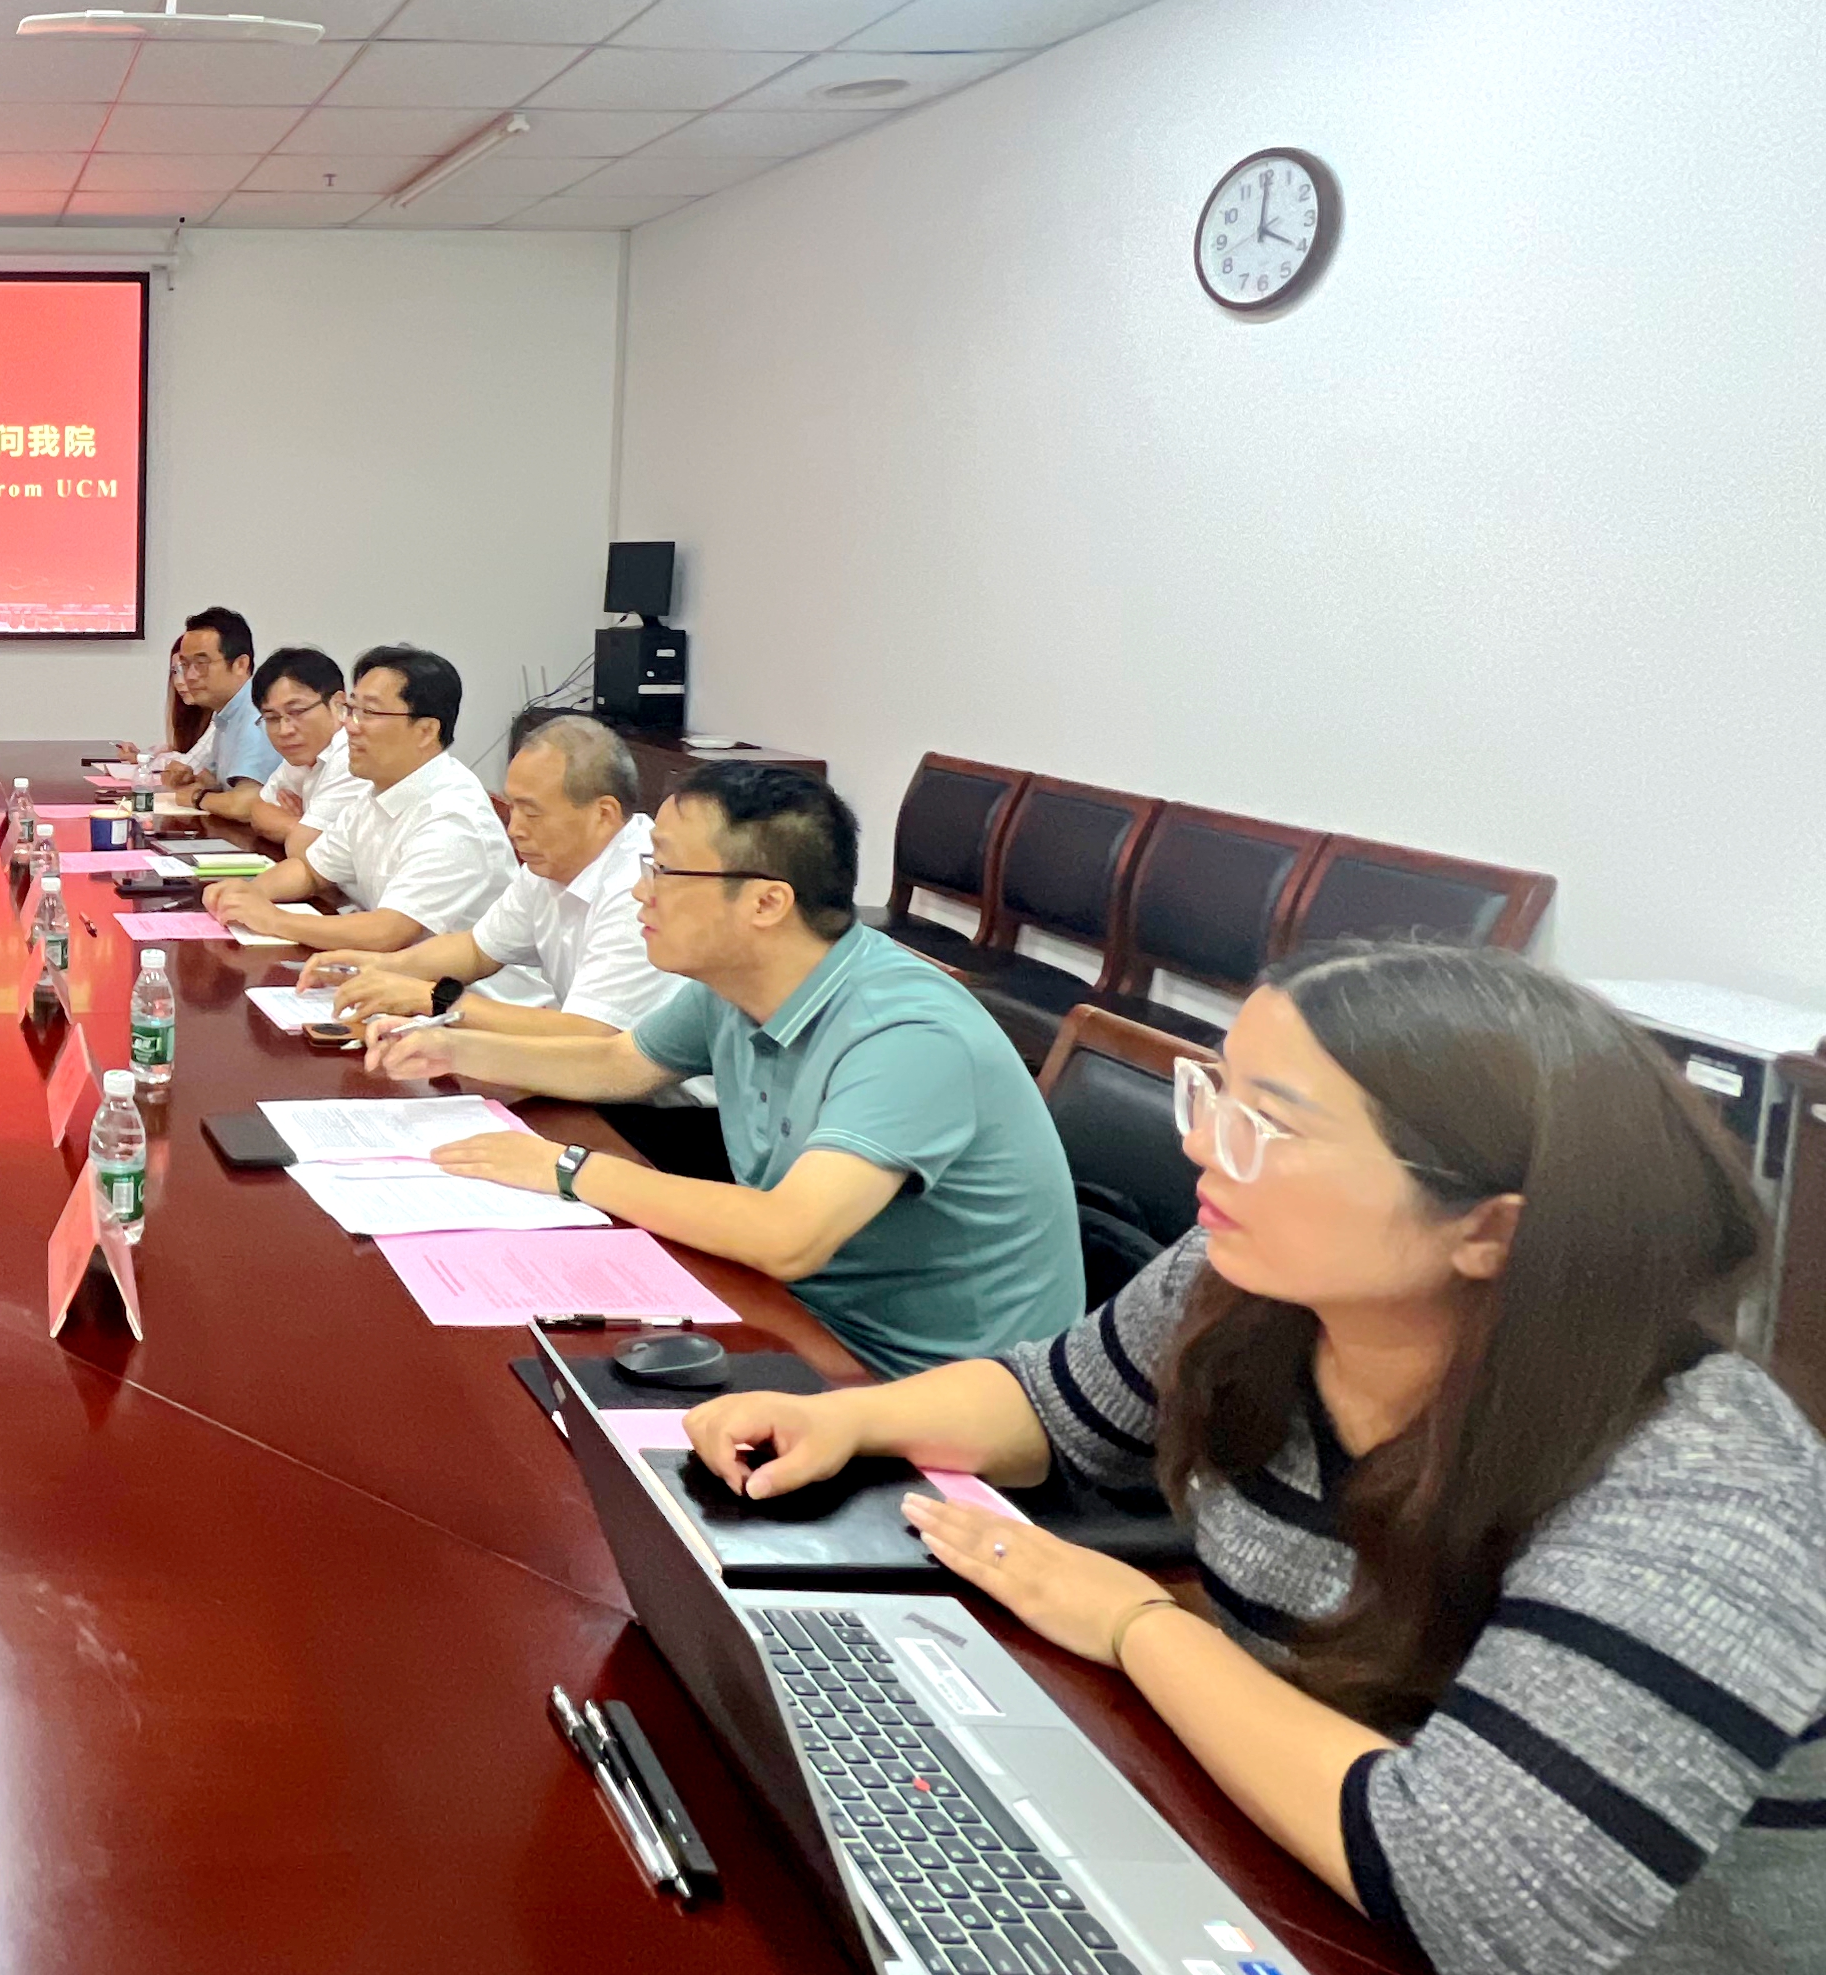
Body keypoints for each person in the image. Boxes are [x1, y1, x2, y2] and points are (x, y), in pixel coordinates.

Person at [678, 946, 1826, 1975]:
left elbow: (1477, 1898)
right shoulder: (1249, 1279)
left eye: (1266, 1127)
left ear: (1490, 1231)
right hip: (1294, 1864)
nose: (1200, 1144)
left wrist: (1140, 1624)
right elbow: (1055, 1402)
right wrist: (855, 1420)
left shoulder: (1705, 1497)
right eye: (1215, 1092)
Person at [365, 762, 1076, 1373]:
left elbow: (788, 1235)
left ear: (766, 901)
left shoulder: (907, 1034)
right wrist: (455, 1046)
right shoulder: (735, 984)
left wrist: (569, 1168)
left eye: (665, 869)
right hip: (790, 1318)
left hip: (920, 1384)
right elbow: (619, 1063)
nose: (641, 892)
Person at [314, 709, 674, 1035]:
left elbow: (590, 1033)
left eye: (531, 813)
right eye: (512, 807)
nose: (514, 828)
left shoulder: (640, 889)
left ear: (603, 814)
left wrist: (432, 999)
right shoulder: (552, 862)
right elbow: (476, 950)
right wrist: (382, 967)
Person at [202, 645, 514, 952]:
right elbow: (311, 871)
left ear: (426, 731)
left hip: (458, 983)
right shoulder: (377, 792)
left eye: (370, 713)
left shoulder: (453, 816)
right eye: (352, 710)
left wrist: (274, 919)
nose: (349, 726)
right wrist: (248, 893)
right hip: (394, 968)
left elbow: (388, 931)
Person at [198, 646, 367, 851]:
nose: (285, 730)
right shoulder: (301, 757)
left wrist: (302, 832)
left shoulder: (351, 756)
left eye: (297, 711)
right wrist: (298, 827)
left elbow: (314, 849)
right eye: (272, 718)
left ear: (338, 704)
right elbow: (259, 811)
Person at [133, 606, 280, 798]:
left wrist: (196, 798)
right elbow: (217, 783)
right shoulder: (226, 714)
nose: (190, 676)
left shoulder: (256, 715)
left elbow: (245, 802)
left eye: (201, 664)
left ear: (240, 665)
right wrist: (190, 780)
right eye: (185, 665)